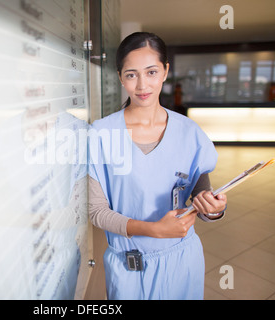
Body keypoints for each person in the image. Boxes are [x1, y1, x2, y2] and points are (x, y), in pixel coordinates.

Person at [87, 32, 227, 300]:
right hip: (128, 266)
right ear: (120, 77)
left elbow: (201, 194)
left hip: (182, 262)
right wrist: (152, 229)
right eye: (131, 74)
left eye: (151, 72)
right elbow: (97, 212)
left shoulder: (189, 132)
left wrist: (214, 209)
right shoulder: (102, 134)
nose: (142, 85)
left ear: (165, 71)